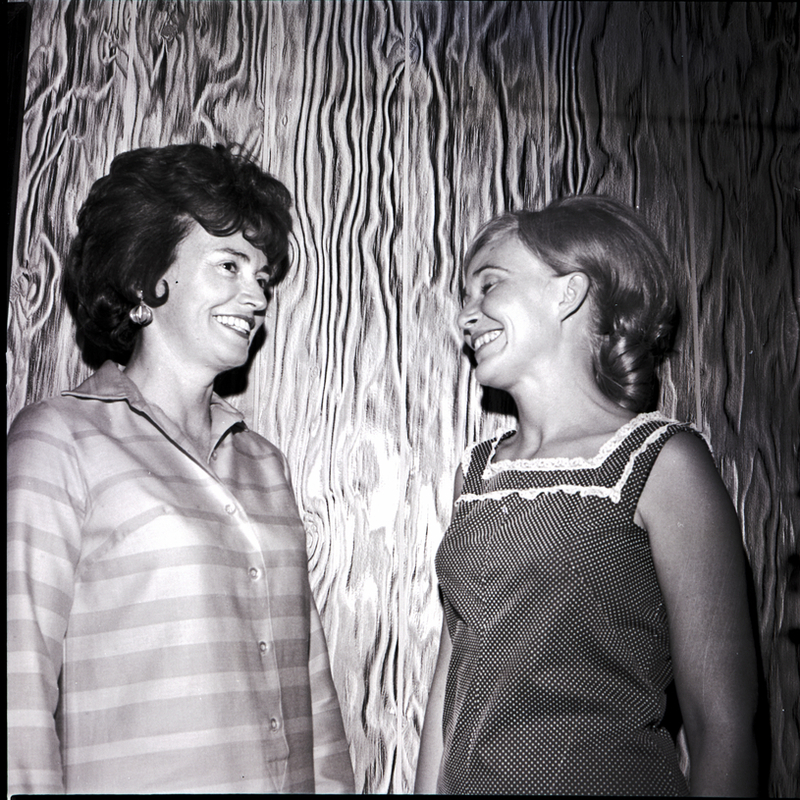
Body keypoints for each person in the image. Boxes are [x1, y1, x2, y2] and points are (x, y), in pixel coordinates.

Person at [7, 143, 354, 794]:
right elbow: (15, 691)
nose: (255, 296)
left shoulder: (264, 464)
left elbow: (311, 684)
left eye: (262, 278)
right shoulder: (59, 441)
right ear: (145, 282)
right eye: (229, 265)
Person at [415, 196, 759, 796]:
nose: (466, 316)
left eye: (488, 285)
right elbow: (451, 692)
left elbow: (722, 727)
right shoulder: (476, 473)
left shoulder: (661, 461)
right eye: (465, 297)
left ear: (568, 293)